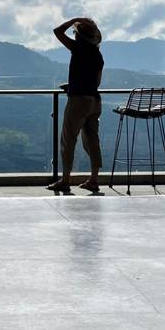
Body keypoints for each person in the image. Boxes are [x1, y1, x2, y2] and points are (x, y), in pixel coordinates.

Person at [47, 17, 104, 196]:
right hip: (94, 100)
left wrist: (75, 19)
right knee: (92, 140)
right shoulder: (97, 55)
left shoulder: (78, 48)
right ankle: (94, 180)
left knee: (68, 140)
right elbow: (96, 82)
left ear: (79, 36)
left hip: (78, 100)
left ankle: (65, 181)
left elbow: (57, 31)